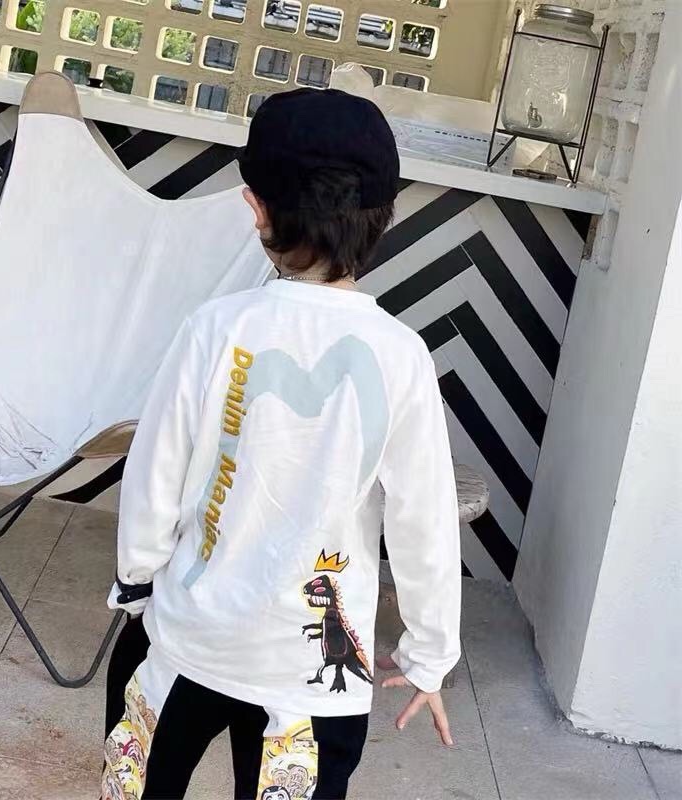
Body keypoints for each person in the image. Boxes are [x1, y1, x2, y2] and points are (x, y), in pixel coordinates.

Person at [102, 88, 461, 800]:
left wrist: (138, 579)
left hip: (187, 644)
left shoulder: (216, 328)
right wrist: (429, 653)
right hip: (316, 677)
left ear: (257, 210)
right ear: (384, 217)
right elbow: (424, 519)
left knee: (140, 785)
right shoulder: (402, 356)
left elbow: (156, 471)